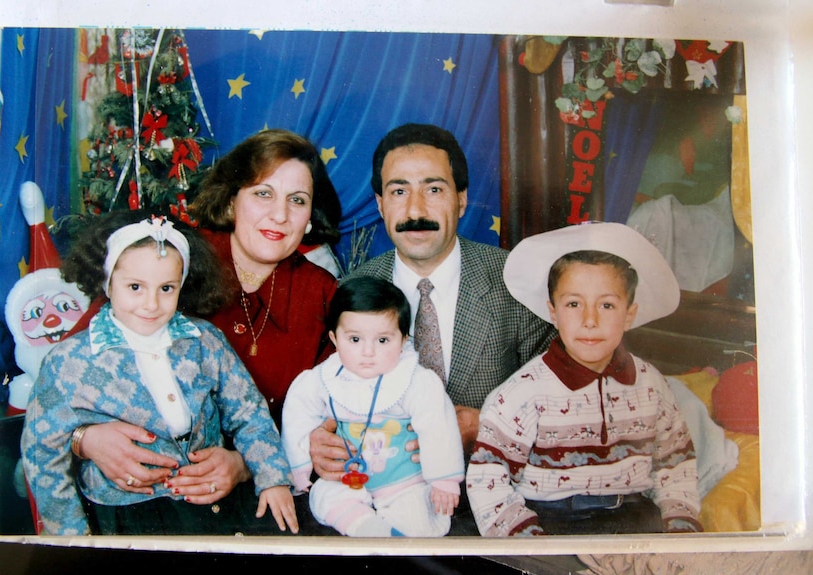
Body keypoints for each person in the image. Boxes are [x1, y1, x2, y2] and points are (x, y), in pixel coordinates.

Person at [71, 130, 341, 517]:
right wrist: (86, 439)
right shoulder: (167, 262)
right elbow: (60, 377)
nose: (279, 215)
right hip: (138, 499)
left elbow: (334, 417)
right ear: (232, 201)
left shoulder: (320, 293)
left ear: (310, 218)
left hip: (269, 497)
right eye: (263, 193)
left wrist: (245, 464)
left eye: (296, 201)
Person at [308, 123, 556, 534]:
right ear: (380, 204)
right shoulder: (351, 292)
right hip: (379, 511)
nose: (415, 209)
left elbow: (563, 400)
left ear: (461, 201)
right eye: (399, 191)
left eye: (434, 189)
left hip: (499, 509)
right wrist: (318, 439)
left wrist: (488, 427)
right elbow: (327, 395)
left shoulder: (515, 283)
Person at [21, 213, 298, 536]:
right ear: (108, 283)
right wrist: (70, 534)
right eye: (135, 287)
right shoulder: (69, 360)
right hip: (124, 517)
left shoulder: (204, 340)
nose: (151, 304)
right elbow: (42, 451)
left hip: (209, 505)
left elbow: (249, 412)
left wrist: (272, 478)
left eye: (166, 288)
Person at [466, 221, 702, 536]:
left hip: (632, 521)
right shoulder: (522, 393)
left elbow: (675, 465)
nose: (590, 320)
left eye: (606, 305)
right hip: (549, 525)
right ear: (553, 311)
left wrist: (681, 527)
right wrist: (524, 540)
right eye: (574, 304)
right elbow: (487, 479)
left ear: (629, 314)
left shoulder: (651, 384)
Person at [281, 277, 463, 537]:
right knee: (324, 496)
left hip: (405, 481)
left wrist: (444, 480)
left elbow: (438, 426)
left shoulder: (416, 380)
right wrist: (299, 467)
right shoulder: (323, 378)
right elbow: (297, 414)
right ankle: (367, 528)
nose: (368, 352)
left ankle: (397, 538)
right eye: (355, 340)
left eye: (382, 341)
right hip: (347, 478)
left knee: (423, 516)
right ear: (334, 338)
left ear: (403, 340)